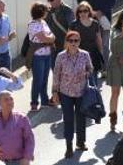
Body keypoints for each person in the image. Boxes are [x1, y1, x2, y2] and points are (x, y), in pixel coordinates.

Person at [52, 30, 94, 158]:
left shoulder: (85, 55)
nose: (74, 43)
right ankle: (68, 146)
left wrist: (86, 74)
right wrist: (55, 92)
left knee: (81, 118)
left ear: (79, 42)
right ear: (67, 42)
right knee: (68, 119)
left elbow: (91, 69)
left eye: (76, 41)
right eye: (71, 41)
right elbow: (56, 75)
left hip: (81, 92)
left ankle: (80, 142)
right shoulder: (61, 56)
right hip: (66, 93)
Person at [0, 91, 34, 164]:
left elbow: (29, 139)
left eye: (11, 99)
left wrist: (27, 157)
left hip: (19, 161)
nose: (10, 102)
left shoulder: (22, 119)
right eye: (6, 100)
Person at [26, 2, 56, 110]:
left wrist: (50, 37)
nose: (47, 12)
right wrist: (50, 38)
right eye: (46, 10)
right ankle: (34, 102)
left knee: (45, 79)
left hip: (47, 54)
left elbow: (51, 36)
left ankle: (44, 100)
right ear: (41, 12)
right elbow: (45, 38)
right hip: (38, 56)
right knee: (37, 80)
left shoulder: (43, 22)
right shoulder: (33, 24)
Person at [70, 0, 105, 74]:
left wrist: (101, 52)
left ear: (89, 11)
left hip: (93, 54)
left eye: (85, 11)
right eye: (80, 11)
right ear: (78, 12)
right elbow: (68, 40)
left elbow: (98, 39)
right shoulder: (73, 24)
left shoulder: (95, 23)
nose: (82, 13)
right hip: (78, 55)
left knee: (93, 78)